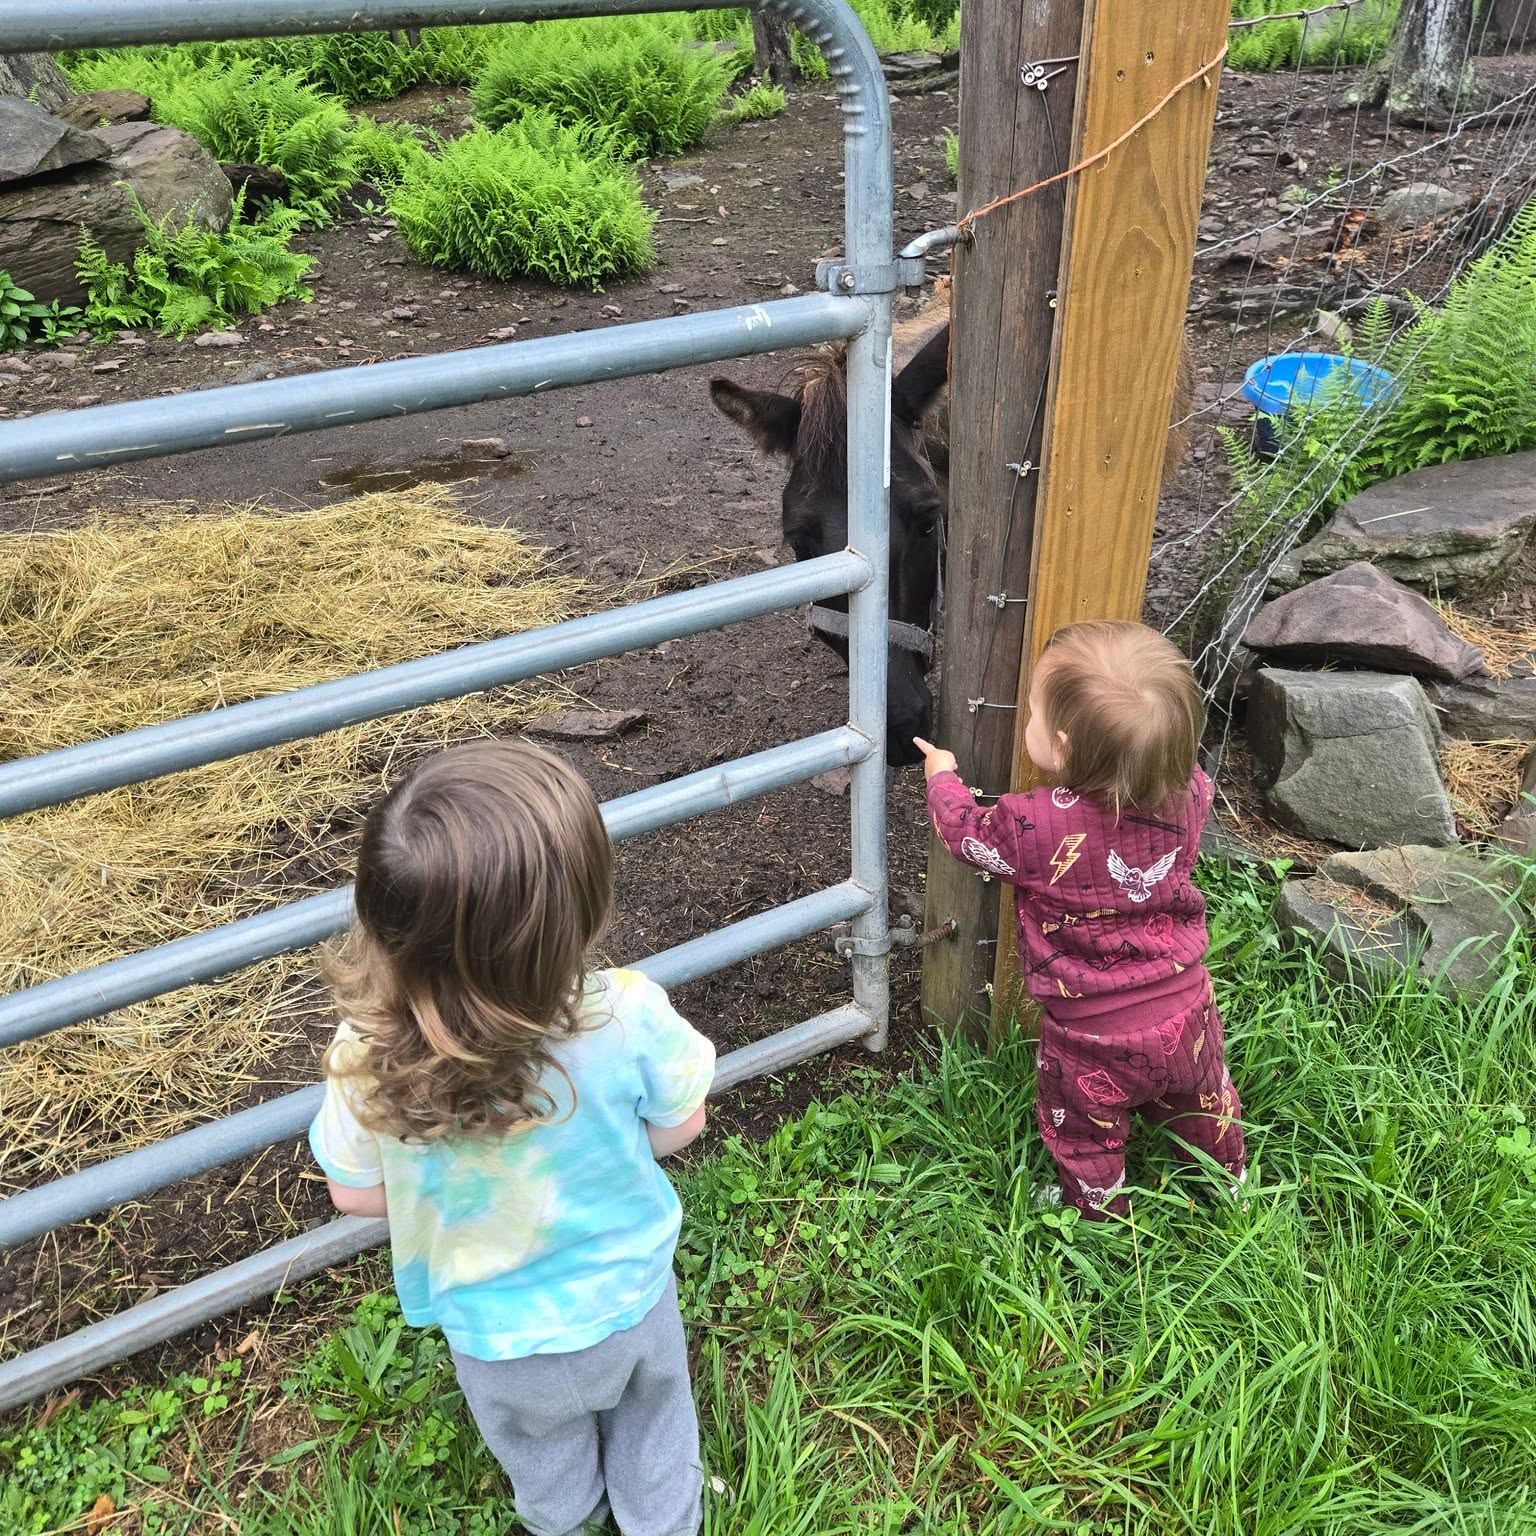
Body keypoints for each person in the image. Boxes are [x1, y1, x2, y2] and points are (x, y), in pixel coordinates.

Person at [308, 740, 714, 1536]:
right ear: (578, 911)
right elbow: (683, 1123)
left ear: (384, 920)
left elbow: (353, 1194)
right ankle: (663, 1521)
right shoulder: (625, 1012)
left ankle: (564, 1519)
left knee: (540, 1454)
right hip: (627, 1295)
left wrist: (442, 1188)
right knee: (653, 1414)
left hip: (495, 1337)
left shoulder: (362, 1056)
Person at [915, 620, 1245, 1219]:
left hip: (1089, 1033)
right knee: (1204, 1101)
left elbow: (965, 835)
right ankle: (1230, 1182)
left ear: (1063, 746)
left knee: (1085, 1133)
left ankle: (1097, 1212)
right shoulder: (1194, 790)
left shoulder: (1034, 826)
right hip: (1187, 1005)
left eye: (1034, 714)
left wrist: (942, 778)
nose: (1029, 722)